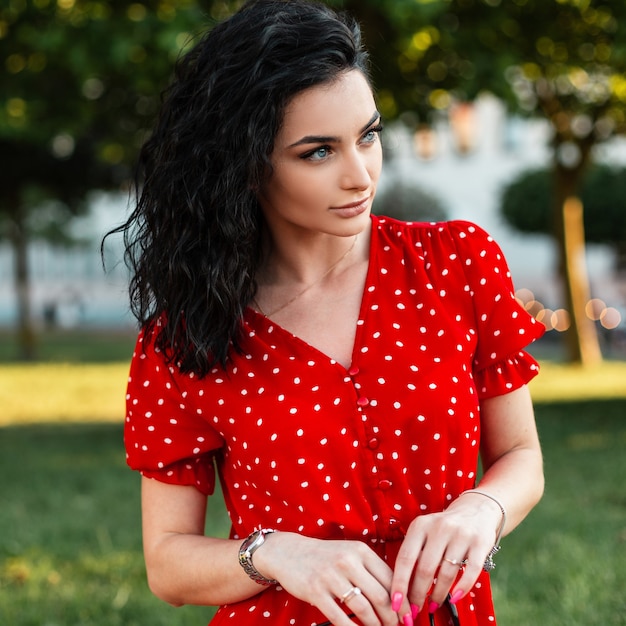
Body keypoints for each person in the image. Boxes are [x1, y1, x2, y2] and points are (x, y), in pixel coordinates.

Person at [112, 1, 546, 625]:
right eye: (317, 152)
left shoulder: (457, 263)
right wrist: (279, 554)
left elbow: (522, 457)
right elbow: (168, 564)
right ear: (244, 166)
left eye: (367, 135)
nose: (359, 175)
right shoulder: (187, 333)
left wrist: (483, 507)